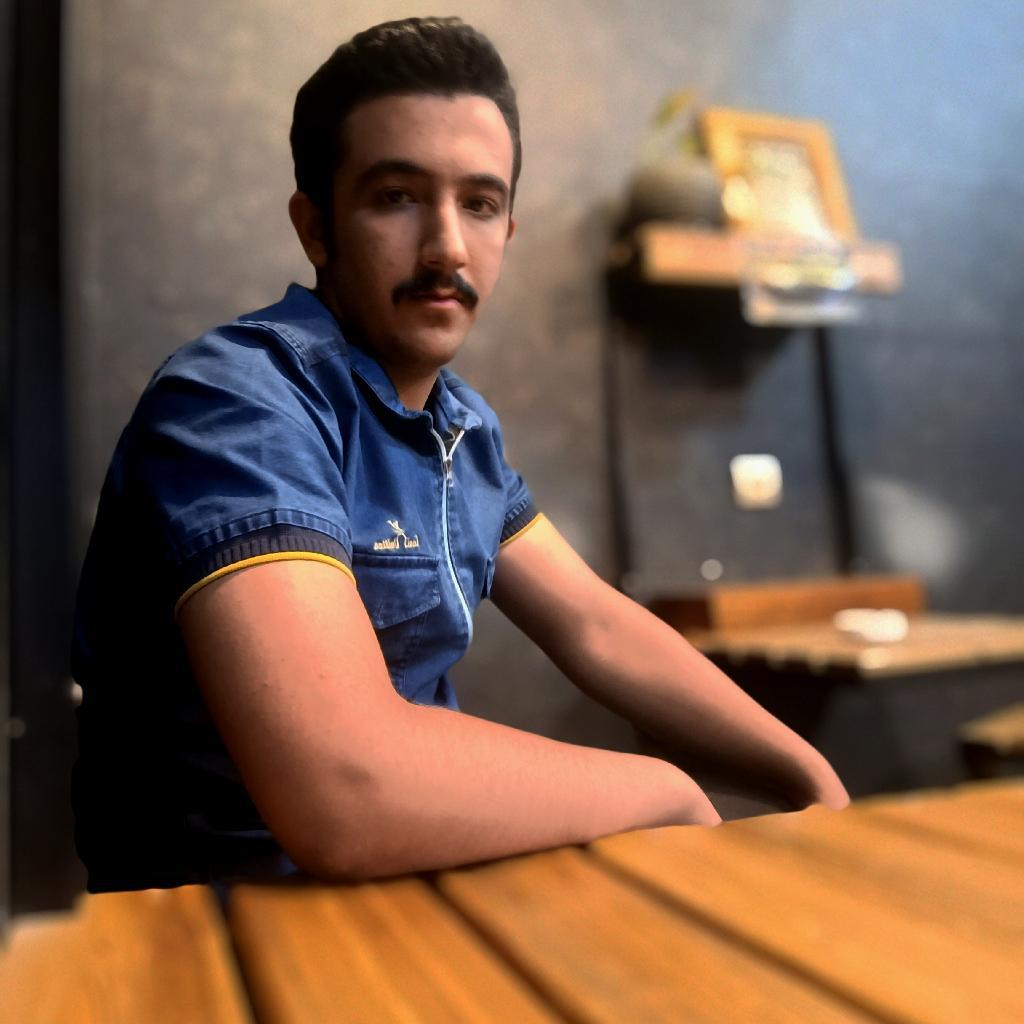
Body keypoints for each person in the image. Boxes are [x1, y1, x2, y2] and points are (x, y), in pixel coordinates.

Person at [71, 16, 849, 893]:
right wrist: (665, 791)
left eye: (479, 204)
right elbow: (346, 790)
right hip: (220, 919)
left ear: (507, 230)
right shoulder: (239, 400)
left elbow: (598, 626)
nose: (447, 246)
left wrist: (812, 779)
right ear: (316, 227)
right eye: (397, 196)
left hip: (402, 891)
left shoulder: (459, 426)